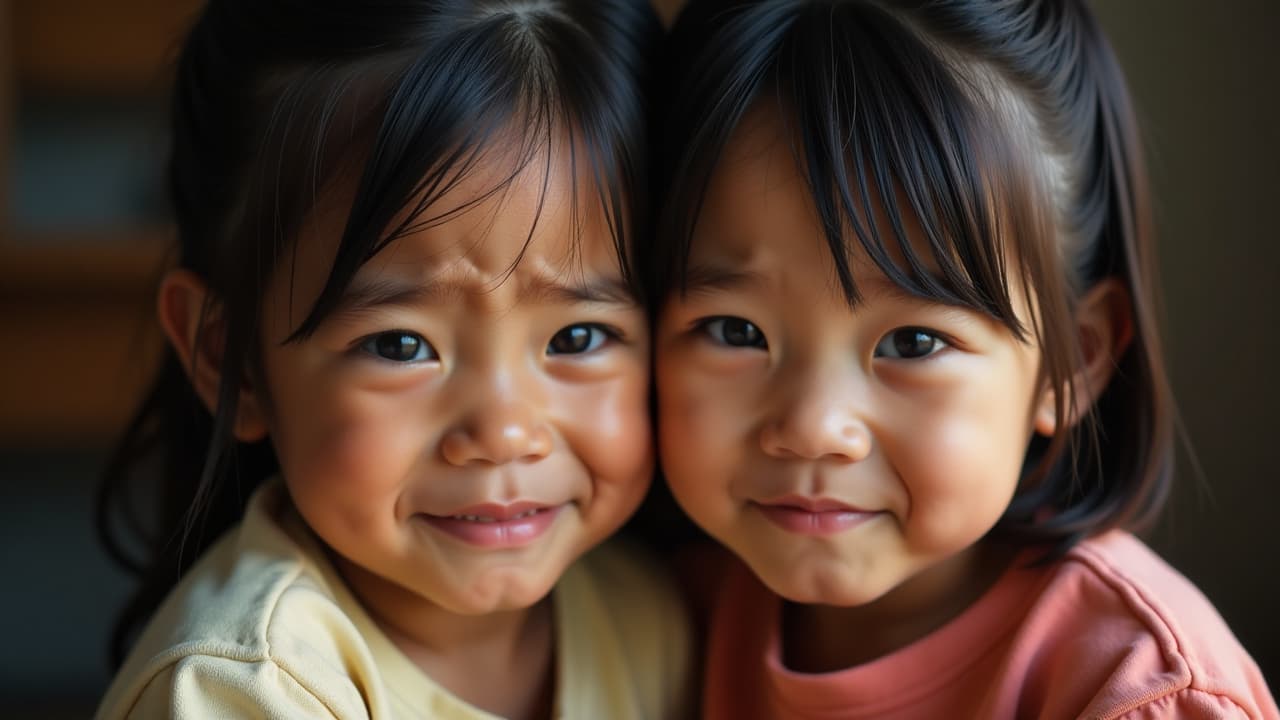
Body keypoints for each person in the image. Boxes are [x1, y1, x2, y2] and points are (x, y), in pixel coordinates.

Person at [649, 0, 1278, 717]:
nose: (813, 426)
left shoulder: (1131, 692)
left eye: (913, 343)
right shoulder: (657, 619)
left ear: (1072, 361)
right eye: (735, 330)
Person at [94, 1, 690, 718]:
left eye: (577, 338)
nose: (504, 431)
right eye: (400, 346)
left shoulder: (653, 619)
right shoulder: (244, 689)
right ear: (232, 360)